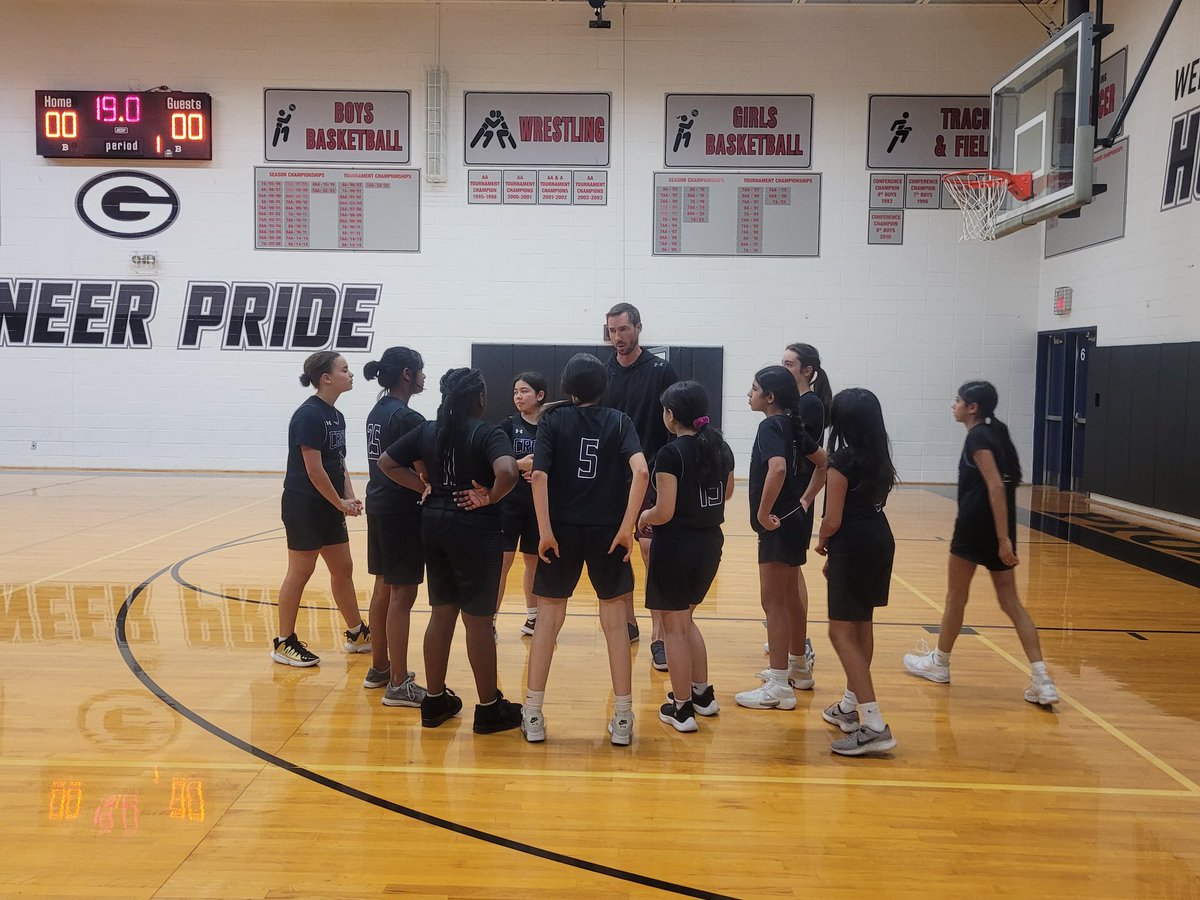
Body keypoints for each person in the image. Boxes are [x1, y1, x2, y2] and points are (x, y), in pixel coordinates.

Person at [378, 368, 523, 733]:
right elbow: (507, 470)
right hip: (474, 530)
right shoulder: (488, 432)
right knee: (477, 621)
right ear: (480, 398)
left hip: (434, 525)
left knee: (441, 614)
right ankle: (489, 708)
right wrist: (490, 495)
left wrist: (421, 485)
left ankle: (435, 701)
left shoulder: (429, 429)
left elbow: (386, 463)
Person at [903, 381, 1060, 706]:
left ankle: (940, 664)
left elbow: (996, 487)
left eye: (957, 400)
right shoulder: (995, 433)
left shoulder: (978, 437)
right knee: (1011, 602)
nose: (953, 405)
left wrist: (1002, 540)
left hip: (976, 528)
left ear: (972, 407)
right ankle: (1041, 677)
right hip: (999, 530)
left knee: (955, 598)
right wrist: (1006, 537)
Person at [522, 353, 649, 745]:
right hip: (607, 535)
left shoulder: (552, 420)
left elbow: (538, 475)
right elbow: (642, 471)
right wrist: (627, 528)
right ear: (603, 386)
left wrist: (544, 531)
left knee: (547, 622)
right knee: (615, 626)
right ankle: (623, 719)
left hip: (560, 534)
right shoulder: (620, 420)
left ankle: (533, 714)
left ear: (566, 388)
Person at [638, 381, 734, 733]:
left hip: (677, 546)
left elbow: (663, 512)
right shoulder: (720, 447)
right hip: (710, 544)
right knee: (687, 620)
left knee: (674, 629)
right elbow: (728, 493)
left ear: (671, 415)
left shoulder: (671, 454)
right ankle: (702, 695)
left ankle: (681, 709)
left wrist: (643, 517)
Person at [734, 366, 828, 711]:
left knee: (772, 602)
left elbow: (777, 468)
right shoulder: (792, 426)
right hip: (795, 520)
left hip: (777, 523)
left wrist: (762, 513)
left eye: (754, 388)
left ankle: (778, 685)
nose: (749, 394)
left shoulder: (770, 426)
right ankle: (797, 667)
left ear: (769, 398)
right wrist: (805, 500)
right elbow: (823, 463)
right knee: (789, 597)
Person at [814, 388, 898, 756]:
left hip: (853, 544)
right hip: (879, 541)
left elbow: (832, 518)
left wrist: (822, 540)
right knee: (862, 625)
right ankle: (851, 703)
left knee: (839, 632)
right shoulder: (879, 455)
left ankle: (874, 723)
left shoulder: (841, 461)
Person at [271, 352, 369, 667]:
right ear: (326, 378)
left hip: (328, 504)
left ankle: (357, 633)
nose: (350, 374)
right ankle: (284, 642)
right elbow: (313, 470)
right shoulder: (309, 415)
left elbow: (337, 462)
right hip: (304, 505)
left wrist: (349, 497)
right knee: (301, 572)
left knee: (343, 569)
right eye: (344, 369)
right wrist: (337, 502)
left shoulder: (335, 416)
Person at [604, 302, 680, 669]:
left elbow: (676, 423)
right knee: (618, 549)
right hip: (612, 478)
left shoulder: (662, 372)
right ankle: (629, 621)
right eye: (612, 331)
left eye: (623, 329)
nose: (617, 337)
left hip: (652, 472)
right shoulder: (603, 373)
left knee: (652, 550)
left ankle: (660, 634)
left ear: (638, 328)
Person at [362, 347, 428, 708]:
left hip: (378, 505)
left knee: (383, 589)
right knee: (403, 595)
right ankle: (399, 684)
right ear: (407, 373)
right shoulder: (407, 417)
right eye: (421, 370)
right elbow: (423, 473)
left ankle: (380, 668)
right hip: (402, 511)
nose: (423, 377)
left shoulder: (377, 411)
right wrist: (427, 487)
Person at [764, 342, 835, 680]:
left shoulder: (806, 405)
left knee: (787, 585)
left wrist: (806, 499)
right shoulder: (798, 406)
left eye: (790, 364)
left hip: (790, 505)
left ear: (808, 371)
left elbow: (814, 459)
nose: (784, 368)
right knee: (792, 579)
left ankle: (797, 649)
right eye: (782, 362)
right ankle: (794, 650)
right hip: (793, 503)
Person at [498, 372, 547, 639]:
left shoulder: (551, 425)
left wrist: (539, 468)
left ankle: (533, 618)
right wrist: (519, 465)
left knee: (533, 561)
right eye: (516, 391)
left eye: (525, 391)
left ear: (540, 395)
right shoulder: (507, 425)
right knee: (502, 562)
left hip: (537, 505)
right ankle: (490, 621)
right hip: (509, 503)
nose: (519, 396)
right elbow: (496, 462)